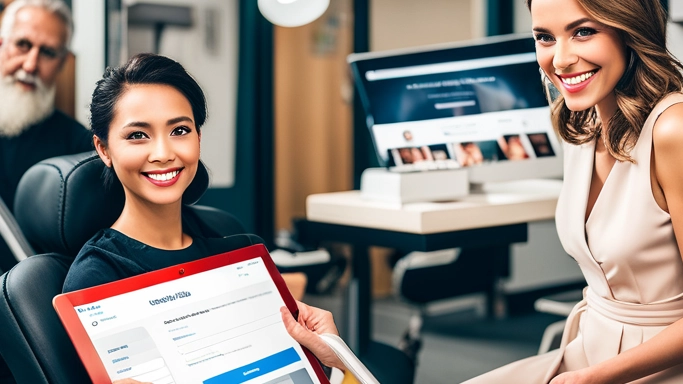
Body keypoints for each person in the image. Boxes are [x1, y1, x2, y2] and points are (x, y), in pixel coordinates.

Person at [285, 0, 683, 382]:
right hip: (587, 352)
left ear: (629, 30)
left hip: (652, 365)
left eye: (582, 32)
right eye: (544, 37)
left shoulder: (672, 129)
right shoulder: (583, 127)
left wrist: (596, 377)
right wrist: (341, 358)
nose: (559, 60)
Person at [61, 53, 346, 383]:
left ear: (198, 137)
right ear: (104, 149)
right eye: (138, 135)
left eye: (180, 130)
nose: (164, 153)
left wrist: (336, 361)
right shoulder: (95, 277)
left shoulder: (233, 242)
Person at [0, 0, 91, 212]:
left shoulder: (80, 150)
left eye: (48, 52)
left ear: (61, 63)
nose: (30, 65)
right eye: (23, 44)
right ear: (2, 43)